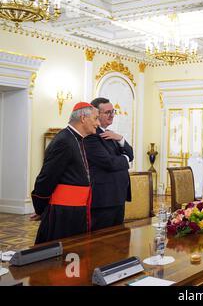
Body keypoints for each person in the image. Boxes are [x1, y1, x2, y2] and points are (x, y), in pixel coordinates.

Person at [31, 102, 100, 244]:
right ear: (83, 118)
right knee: (61, 256)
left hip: (75, 210)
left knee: (74, 252)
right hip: (63, 213)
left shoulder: (76, 139)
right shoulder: (64, 140)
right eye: (95, 118)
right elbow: (46, 178)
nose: (98, 123)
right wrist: (41, 209)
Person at [84, 97, 134, 231]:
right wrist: (125, 159)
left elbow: (131, 154)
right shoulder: (92, 136)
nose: (112, 115)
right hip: (104, 198)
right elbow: (109, 163)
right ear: (96, 114)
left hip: (117, 195)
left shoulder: (110, 134)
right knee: (102, 240)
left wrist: (121, 139)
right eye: (107, 112)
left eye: (113, 111)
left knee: (117, 238)